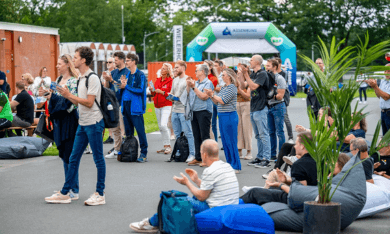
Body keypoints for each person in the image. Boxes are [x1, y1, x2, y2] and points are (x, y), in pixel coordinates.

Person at [129, 139, 239, 232]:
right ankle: (156, 222)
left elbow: (202, 196)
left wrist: (187, 183)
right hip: (229, 206)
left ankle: (150, 223)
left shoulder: (210, 170)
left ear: (204, 154)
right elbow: (211, 188)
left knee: (173, 199)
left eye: (200, 152)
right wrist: (196, 180)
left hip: (215, 209)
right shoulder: (227, 166)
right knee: (193, 197)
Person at [44, 46, 106, 205]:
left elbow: (90, 103)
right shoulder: (80, 78)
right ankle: (66, 192)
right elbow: (76, 103)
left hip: (94, 123)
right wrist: (60, 96)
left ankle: (100, 193)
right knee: (73, 158)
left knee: (98, 159)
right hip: (82, 123)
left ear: (84, 60)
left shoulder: (92, 78)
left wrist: (69, 96)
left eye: (76, 57)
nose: (74, 60)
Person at [240, 131, 317, 205]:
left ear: (303, 146)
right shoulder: (317, 162)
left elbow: (299, 193)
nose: (294, 146)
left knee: (254, 192)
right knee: (270, 189)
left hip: (293, 200)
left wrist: (280, 185)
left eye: (296, 144)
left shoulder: (299, 165)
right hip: (312, 197)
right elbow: (305, 186)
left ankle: (233, 205)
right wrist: (286, 181)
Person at [42, 54, 80, 200]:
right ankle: (68, 186)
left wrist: (55, 98)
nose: (57, 66)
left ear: (67, 64)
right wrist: (48, 95)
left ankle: (73, 189)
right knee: (64, 154)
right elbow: (57, 101)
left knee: (70, 155)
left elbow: (69, 104)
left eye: (59, 64)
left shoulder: (73, 81)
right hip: (58, 121)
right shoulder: (58, 80)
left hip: (69, 121)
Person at [205, 68, 241, 173]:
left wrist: (212, 95)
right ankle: (229, 164)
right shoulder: (224, 88)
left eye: (224, 75)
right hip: (222, 115)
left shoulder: (232, 87)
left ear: (229, 76)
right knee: (225, 141)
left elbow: (223, 101)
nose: (222, 77)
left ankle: (236, 165)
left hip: (229, 116)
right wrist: (211, 96)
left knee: (231, 141)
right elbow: (217, 102)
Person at [239, 54, 271, 168]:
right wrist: (242, 74)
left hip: (261, 107)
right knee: (257, 135)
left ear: (257, 62)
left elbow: (253, 87)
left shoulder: (262, 74)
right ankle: (259, 156)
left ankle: (266, 159)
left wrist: (247, 75)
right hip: (253, 107)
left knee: (263, 134)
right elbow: (243, 85)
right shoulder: (253, 74)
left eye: (251, 60)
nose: (250, 62)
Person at [184, 64, 214, 167]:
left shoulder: (208, 83)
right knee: (196, 135)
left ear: (202, 71)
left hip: (204, 111)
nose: (195, 72)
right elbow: (188, 94)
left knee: (204, 136)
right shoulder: (195, 83)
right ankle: (198, 157)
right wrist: (189, 85)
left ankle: (207, 159)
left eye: (197, 71)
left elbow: (204, 97)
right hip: (194, 111)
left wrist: (194, 88)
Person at [121, 53, 148, 162]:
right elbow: (124, 90)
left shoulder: (140, 75)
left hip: (135, 107)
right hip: (126, 105)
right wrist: (122, 86)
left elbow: (140, 90)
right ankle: (129, 151)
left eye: (127, 60)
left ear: (133, 61)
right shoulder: (127, 75)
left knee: (140, 131)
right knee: (128, 132)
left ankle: (144, 153)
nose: (126, 62)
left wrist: (126, 86)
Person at [104, 52, 130, 159]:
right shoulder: (113, 72)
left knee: (124, 128)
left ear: (122, 60)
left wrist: (111, 80)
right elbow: (107, 88)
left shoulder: (127, 72)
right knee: (114, 127)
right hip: (112, 103)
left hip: (122, 102)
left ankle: (127, 148)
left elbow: (122, 87)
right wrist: (106, 80)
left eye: (115, 60)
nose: (114, 62)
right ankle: (116, 149)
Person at [170, 60, 196, 162]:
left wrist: (177, 98)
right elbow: (172, 93)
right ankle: (180, 151)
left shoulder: (187, 79)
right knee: (177, 133)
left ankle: (192, 154)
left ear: (183, 68)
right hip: (174, 109)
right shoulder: (175, 80)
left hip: (183, 110)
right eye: (175, 67)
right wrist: (170, 96)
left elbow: (187, 97)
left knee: (188, 132)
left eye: (177, 67)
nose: (175, 69)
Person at [266, 59, 287, 162]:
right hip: (269, 107)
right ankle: (272, 154)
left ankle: (281, 155)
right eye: (266, 65)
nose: (266, 67)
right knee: (271, 132)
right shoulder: (266, 78)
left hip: (278, 106)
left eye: (269, 66)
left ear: (274, 67)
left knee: (279, 132)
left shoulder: (280, 78)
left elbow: (280, 96)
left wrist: (270, 95)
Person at [151, 63, 173, 154]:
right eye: (162, 68)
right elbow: (154, 94)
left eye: (164, 69)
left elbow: (171, 94)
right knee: (160, 126)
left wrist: (162, 92)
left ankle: (168, 146)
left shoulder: (171, 81)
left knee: (164, 125)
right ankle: (165, 146)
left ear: (168, 71)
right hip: (157, 105)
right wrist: (152, 90)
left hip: (166, 105)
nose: (162, 70)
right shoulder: (158, 80)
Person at [365, 64, 390, 135]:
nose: (386, 73)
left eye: (389, 71)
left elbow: (386, 97)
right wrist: (373, 86)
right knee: (385, 136)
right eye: (385, 71)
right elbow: (380, 96)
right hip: (383, 112)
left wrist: (375, 86)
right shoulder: (383, 80)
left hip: (389, 112)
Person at [274, 57, 293, 143]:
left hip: (283, 98)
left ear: (280, 64)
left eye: (277, 63)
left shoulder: (283, 74)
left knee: (285, 117)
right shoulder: (271, 73)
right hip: (274, 99)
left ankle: (290, 136)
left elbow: (281, 84)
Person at [236, 64, 252, 160]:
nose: (238, 74)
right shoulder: (235, 81)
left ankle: (249, 151)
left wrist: (239, 91)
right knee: (239, 128)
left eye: (240, 72)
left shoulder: (248, 81)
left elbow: (247, 95)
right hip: (237, 105)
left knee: (247, 128)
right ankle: (239, 150)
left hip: (246, 104)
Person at [101, 57, 117, 145]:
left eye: (110, 62)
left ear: (114, 63)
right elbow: (105, 86)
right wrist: (106, 79)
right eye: (107, 62)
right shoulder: (105, 73)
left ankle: (118, 136)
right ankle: (111, 136)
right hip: (108, 98)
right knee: (109, 117)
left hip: (116, 98)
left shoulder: (116, 73)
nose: (108, 63)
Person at [211, 60, 225, 141]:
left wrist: (213, 87)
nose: (214, 67)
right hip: (212, 101)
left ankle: (224, 143)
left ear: (221, 67)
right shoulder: (213, 76)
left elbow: (223, 88)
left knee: (222, 124)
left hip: (220, 101)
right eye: (214, 66)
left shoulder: (223, 76)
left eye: (216, 65)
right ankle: (214, 142)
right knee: (213, 124)